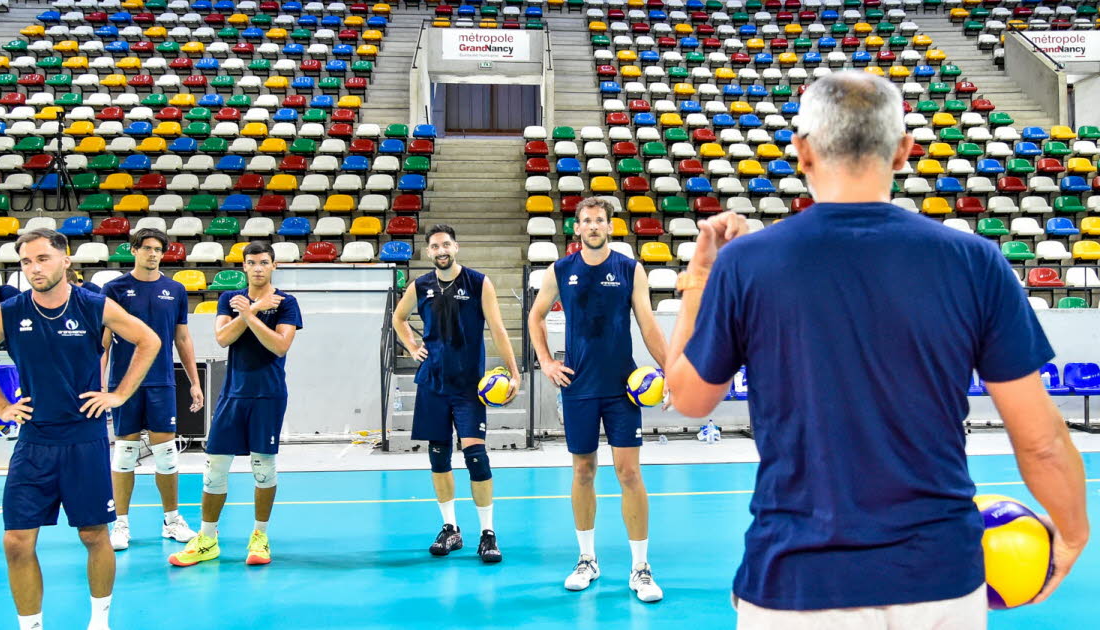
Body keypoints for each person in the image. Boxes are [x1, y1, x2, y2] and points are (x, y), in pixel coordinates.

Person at [664, 71, 1089, 629]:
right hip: (940, 580)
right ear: (905, 151)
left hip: (795, 581)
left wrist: (699, 278)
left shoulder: (747, 265)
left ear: (802, 151)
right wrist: (1074, 531)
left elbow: (688, 399)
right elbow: (1042, 443)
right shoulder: (976, 262)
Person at [0, 229, 160, 630]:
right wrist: (1, 405)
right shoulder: (9, 312)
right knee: (16, 542)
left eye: (42, 259)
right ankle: (30, 625)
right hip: (34, 441)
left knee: (93, 535)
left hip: (83, 439)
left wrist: (119, 395)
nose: (34, 268)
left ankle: (99, 621)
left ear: (65, 260)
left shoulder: (93, 306)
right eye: (26, 262)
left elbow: (149, 341)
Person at [528, 198, 671, 603]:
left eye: (600, 221)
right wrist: (545, 361)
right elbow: (535, 317)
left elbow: (647, 325)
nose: (593, 226)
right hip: (578, 388)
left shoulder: (630, 269)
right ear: (577, 229)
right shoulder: (560, 271)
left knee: (628, 474)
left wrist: (672, 369)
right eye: (586, 221)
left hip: (622, 388)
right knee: (583, 472)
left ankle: (641, 568)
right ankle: (587, 559)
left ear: (611, 227)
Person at [391, 224, 521, 563]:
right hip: (433, 381)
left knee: (476, 457)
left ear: (456, 247)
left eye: (446, 244)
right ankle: (450, 529)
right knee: (438, 455)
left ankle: (487, 533)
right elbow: (398, 318)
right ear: (429, 252)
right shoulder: (420, 286)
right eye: (435, 246)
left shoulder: (478, 282)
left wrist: (514, 371)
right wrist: (411, 345)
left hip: (468, 386)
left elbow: (497, 329)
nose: (441, 250)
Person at [169, 241, 300, 567]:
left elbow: (279, 346)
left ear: (274, 265)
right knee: (214, 468)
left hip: (268, 394)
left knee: (263, 467)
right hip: (232, 394)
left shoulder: (287, 302)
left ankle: (259, 537)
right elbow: (223, 338)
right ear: (243, 266)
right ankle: (208, 540)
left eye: (264, 262)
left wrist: (249, 315)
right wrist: (253, 309)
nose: (258, 267)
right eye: (252, 262)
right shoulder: (230, 298)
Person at [101, 227, 204, 551]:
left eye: (158, 249)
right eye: (146, 248)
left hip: (161, 381)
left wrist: (195, 382)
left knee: (166, 456)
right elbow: (103, 340)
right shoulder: (114, 288)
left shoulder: (174, 290)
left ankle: (172, 520)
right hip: (124, 383)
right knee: (125, 455)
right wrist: (99, 385)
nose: (153, 254)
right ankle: (121, 523)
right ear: (134, 250)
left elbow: (183, 338)